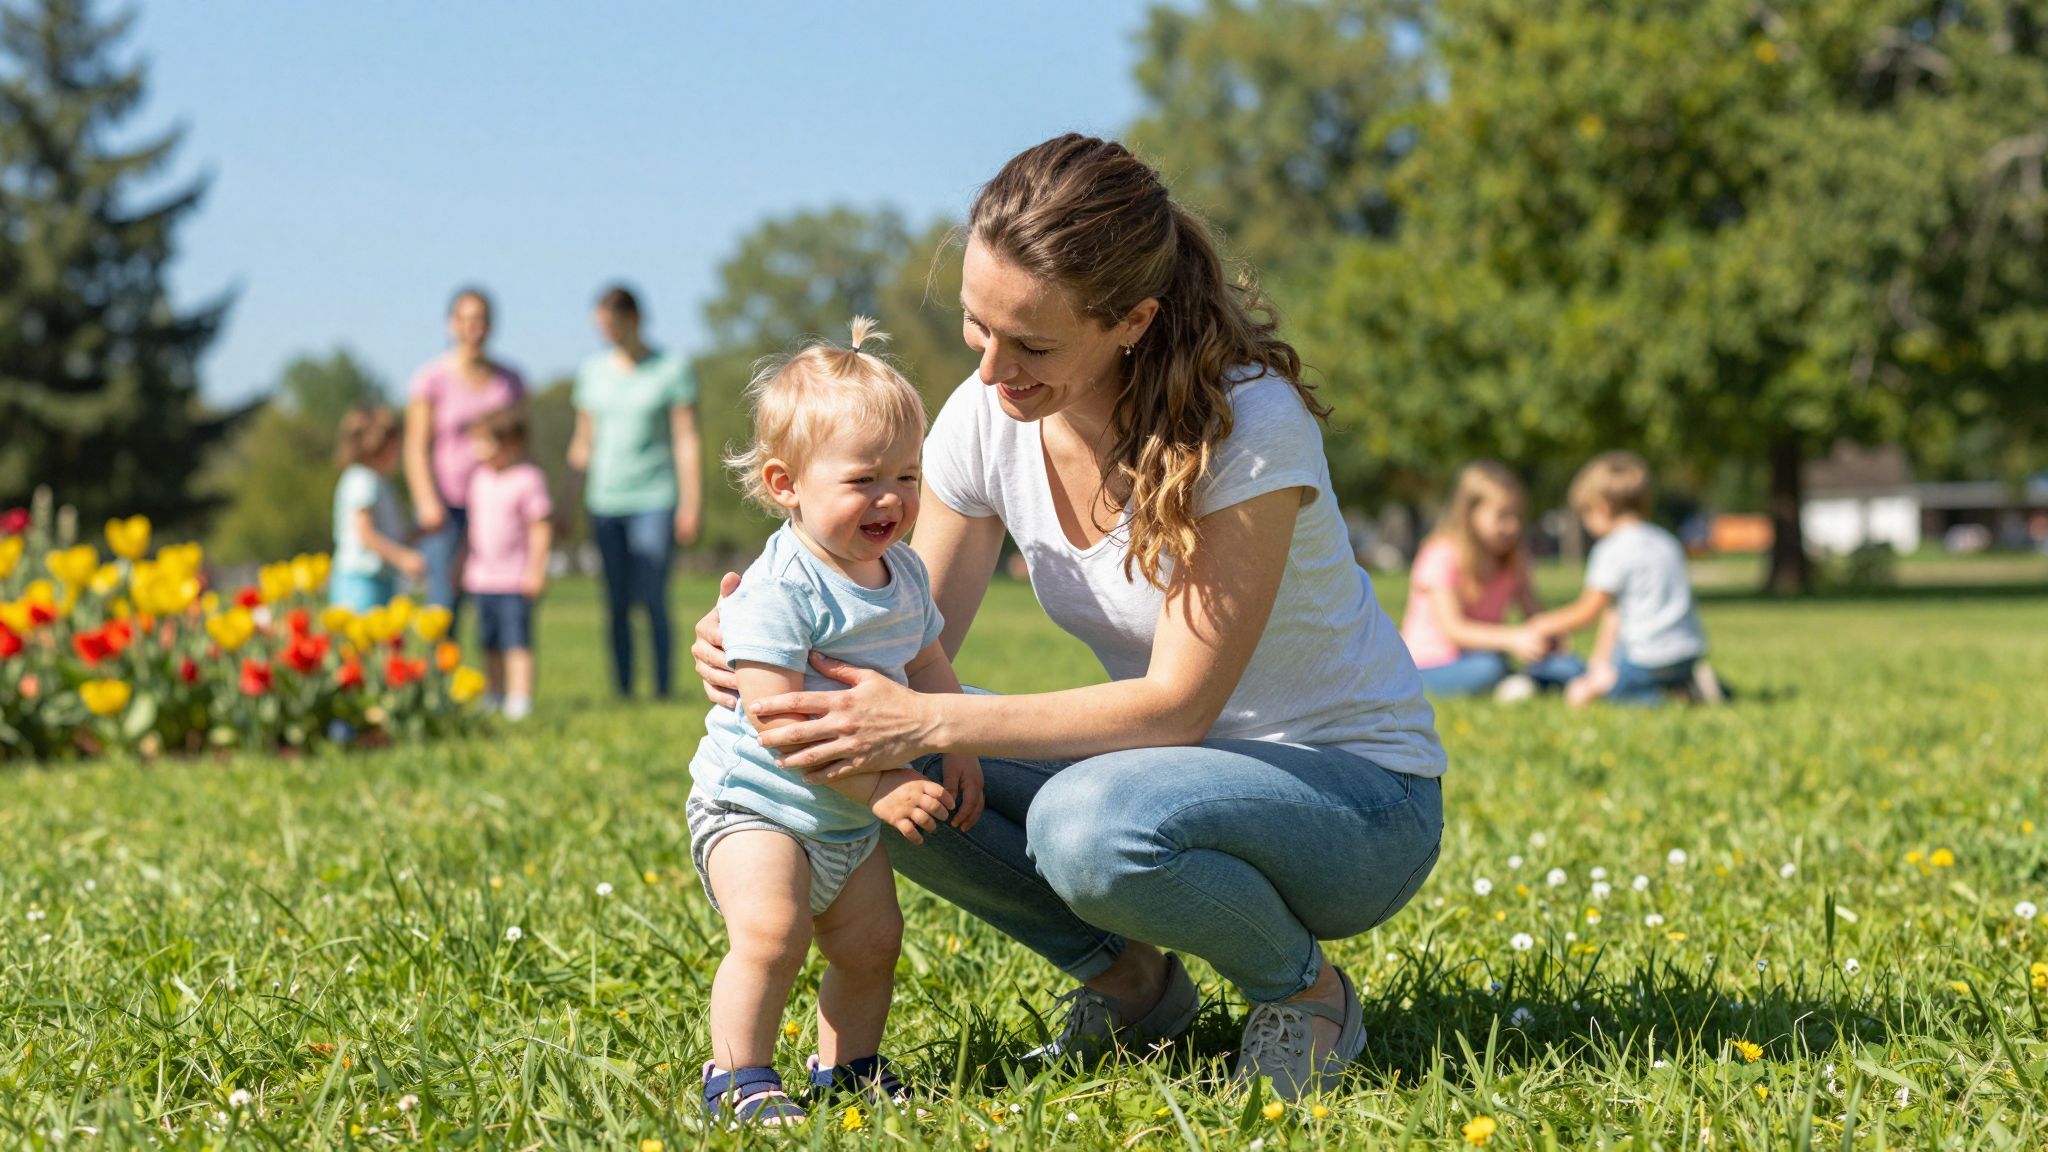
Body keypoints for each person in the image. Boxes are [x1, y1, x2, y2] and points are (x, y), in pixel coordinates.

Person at [693, 134, 1445, 1101]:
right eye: (976, 326)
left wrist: (928, 718)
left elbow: (1177, 707)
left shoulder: (1246, 424)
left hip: (1353, 803)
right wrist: (773, 643)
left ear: (1131, 320)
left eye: (1032, 343)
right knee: (883, 759)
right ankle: (1135, 987)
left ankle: (1307, 994)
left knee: (1083, 823)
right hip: (1167, 771)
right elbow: (909, 638)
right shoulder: (985, 415)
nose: (995, 369)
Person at [691, 319, 982, 1128]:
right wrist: (885, 781)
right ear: (786, 485)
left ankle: (848, 1068)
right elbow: (780, 726)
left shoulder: (905, 574)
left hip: (842, 819)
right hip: (759, 806)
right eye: (863, 480)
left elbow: (926, 665)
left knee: (871, 943)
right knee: (773, 933)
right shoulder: (780, 589)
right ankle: (739, 1075)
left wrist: (952, 741)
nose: (891, 498)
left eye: (907, 475)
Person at [568, 285, 702, 699]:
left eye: (612, 324)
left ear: (634, 320)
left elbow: (686, 438)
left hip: (655, 498)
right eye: (600, 326)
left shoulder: (671, 368)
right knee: (616, 600)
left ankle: (662, 689)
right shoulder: (592, 373)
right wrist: (564, 503)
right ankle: (624, 690)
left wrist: (691, 503)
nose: (606, 332)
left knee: (652, 595)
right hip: (605, 501)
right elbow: (582, 443)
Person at [1527, 451, 1723, 706]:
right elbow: (1615, 614)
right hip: (1687, 650)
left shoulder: (1612, 549)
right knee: (1651, 675)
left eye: (1585, 515)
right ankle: (1690, 685)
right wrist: (1600, 663)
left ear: (1601, 507)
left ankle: (1666, 696)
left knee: (1620, 694)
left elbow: (1587, 612)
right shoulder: (1666, 540)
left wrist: (1543, 624)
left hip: (1647, 657)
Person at [1399, 462, 1584, 700]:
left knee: (1569, 668)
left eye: (1517, 516)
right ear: (1470, 513)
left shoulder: (1513, 559)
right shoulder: (1440, 555)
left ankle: (1515, 684)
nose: (1513, 526)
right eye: (1502, 516)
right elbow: (1454, 630)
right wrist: (1512, 638)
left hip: (1489, 655)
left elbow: (1533, 613)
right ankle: (1512, 683)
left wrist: (1549, 639)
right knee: (1489, 668)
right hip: (1431, 665)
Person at [404, 286, 526, 617]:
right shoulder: (431, 379)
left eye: (482, 320)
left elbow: (525, 445)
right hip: (447, 506)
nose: (474, 328)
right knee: (443, 602)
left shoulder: (510, 381)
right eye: (466, 320)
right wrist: (427, 502)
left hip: (496, 506)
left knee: (499, 604)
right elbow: (416, 446)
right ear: (451, 325)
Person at [461, 408, 552, 720]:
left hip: (515, 579)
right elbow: (471, 529)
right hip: (482, 578)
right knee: (489, 643)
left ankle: (519, 698)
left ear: (509, 444)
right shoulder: (478, 480)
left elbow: (540, 527)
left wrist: (537, 570)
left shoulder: (528, 479)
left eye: (482, 442)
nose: (476, 449)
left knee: (517, 643)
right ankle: (494, 693)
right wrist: (460, 564)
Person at [329, 406, 424, 611]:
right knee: (362, 638)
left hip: (378, 576)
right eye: (396, 446)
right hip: (361, 579)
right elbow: (366, 533)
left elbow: (390, 535)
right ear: (380, 446)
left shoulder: (377, 481)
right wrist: (402, 558)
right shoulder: (362, 480)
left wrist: (419, 532)